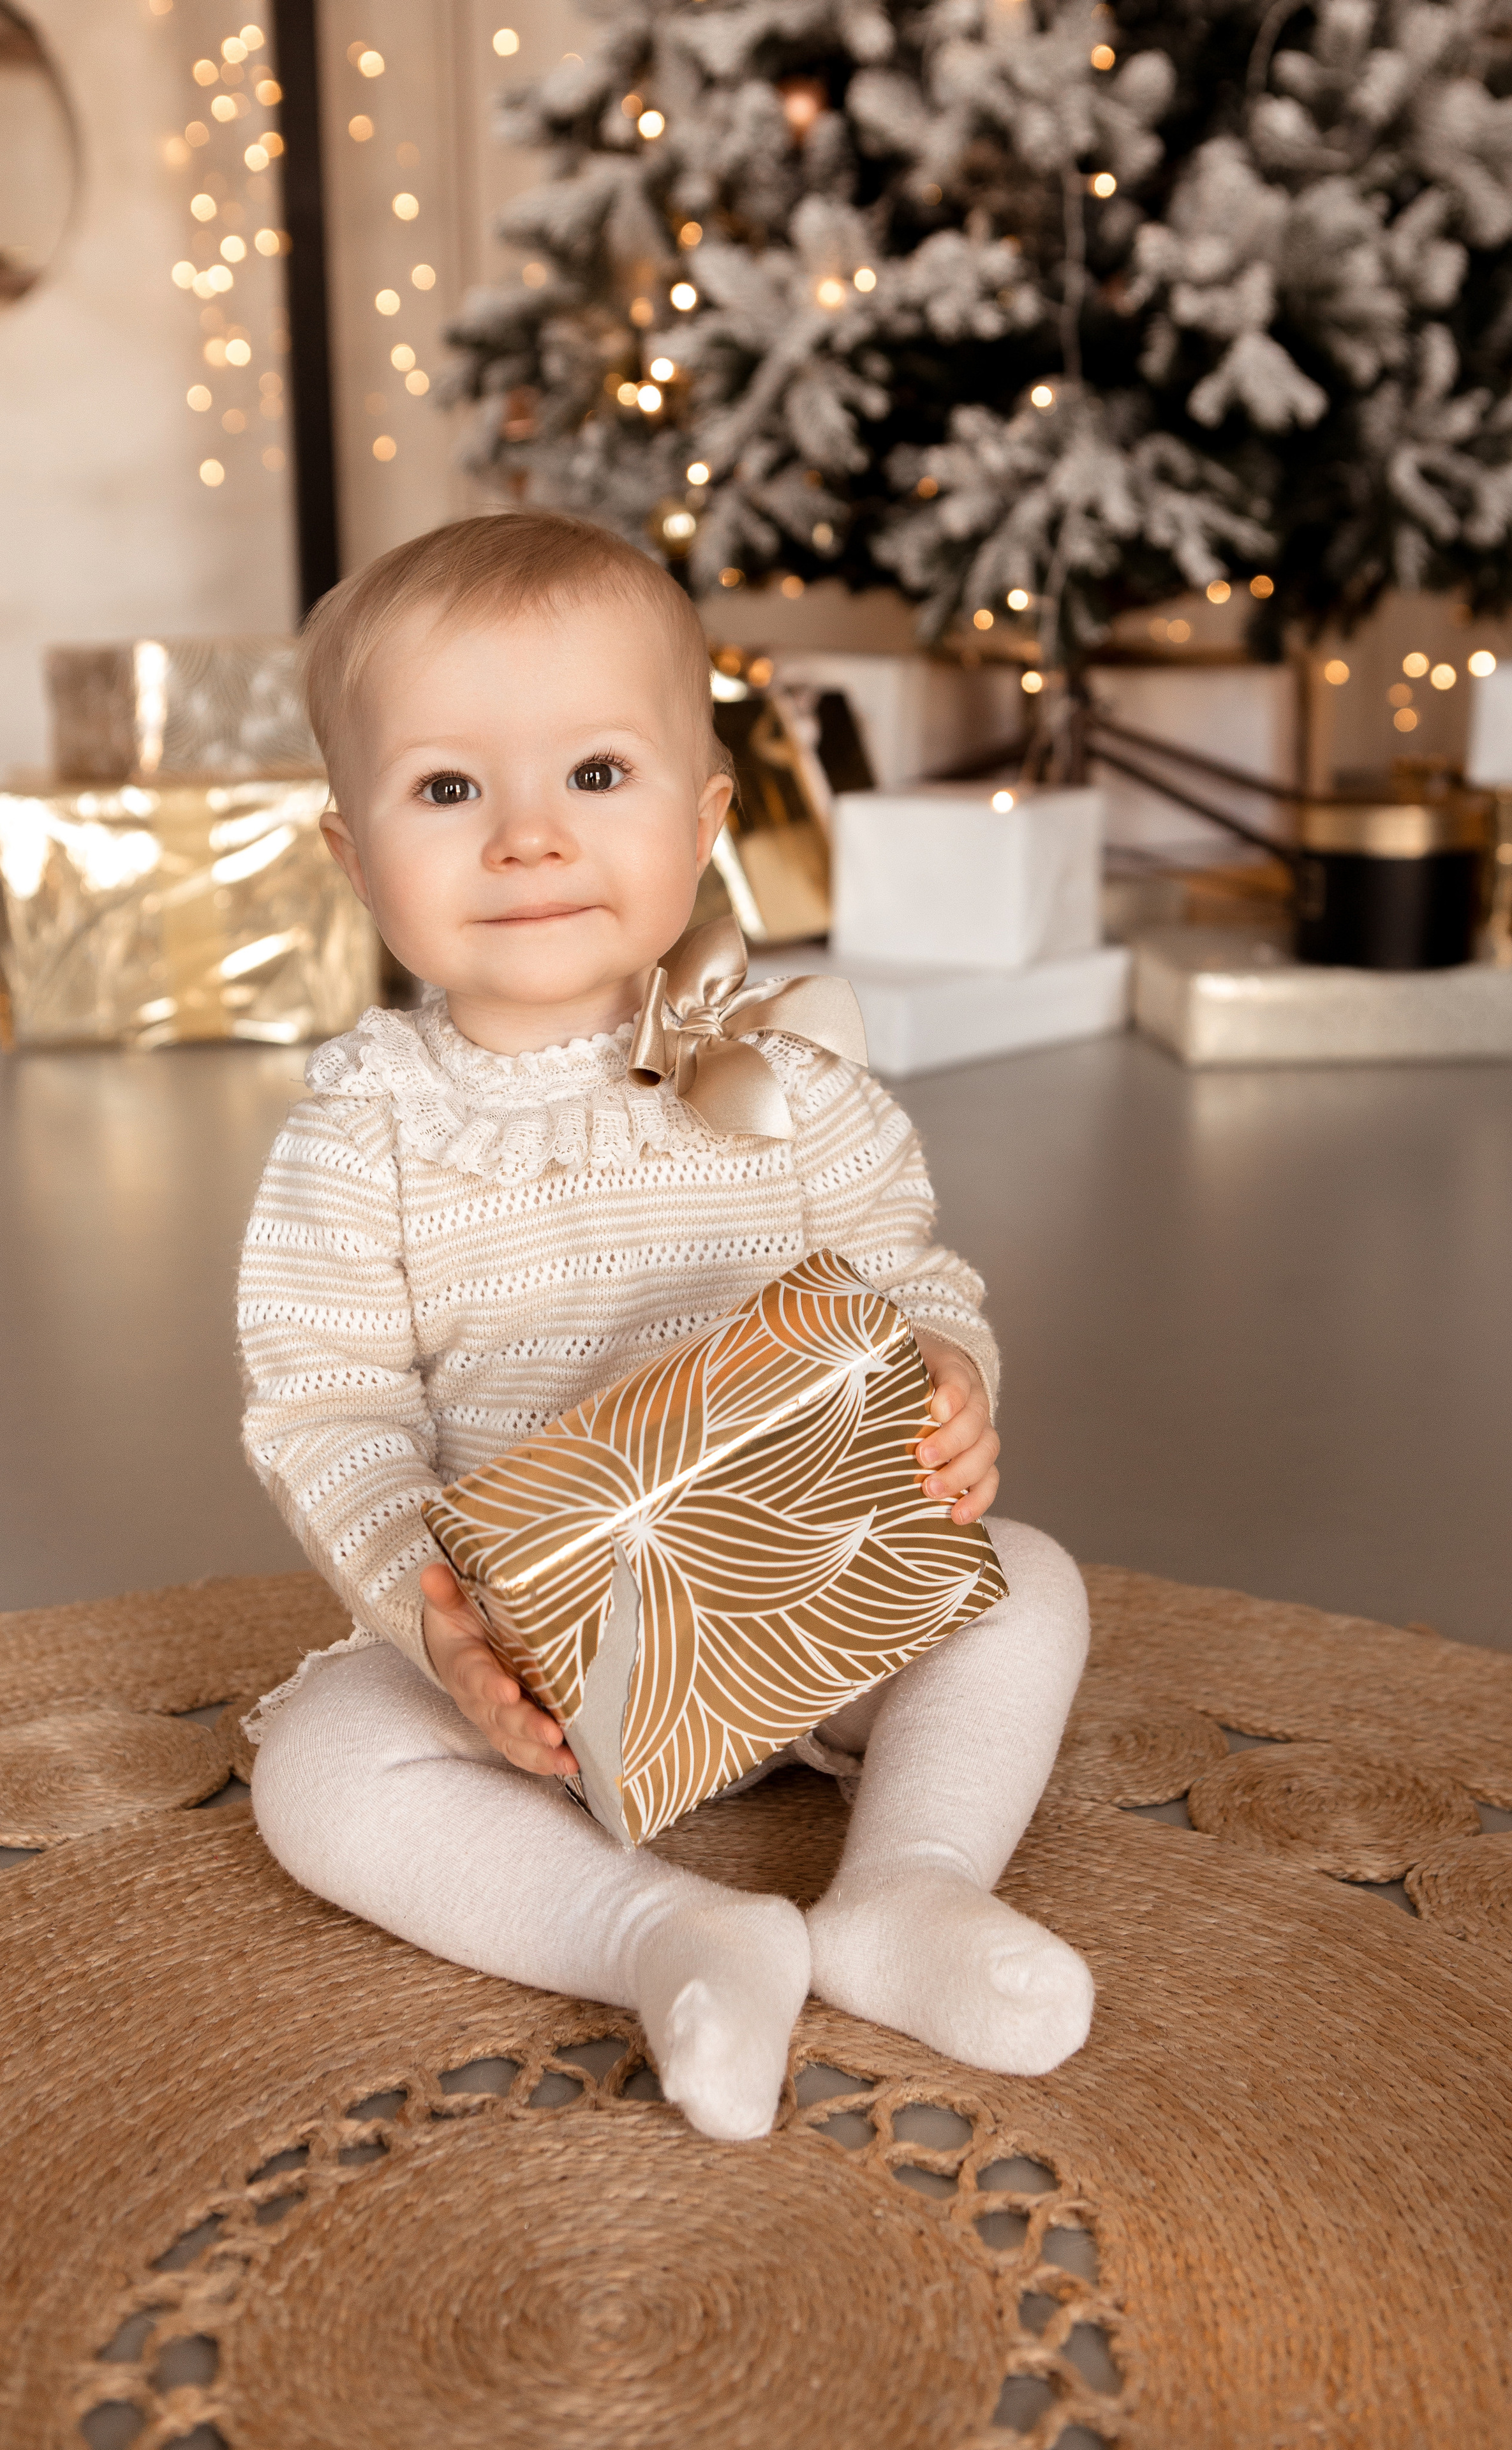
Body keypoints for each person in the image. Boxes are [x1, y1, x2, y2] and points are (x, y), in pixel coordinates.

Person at [240, 511, 1093, 2141]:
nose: (526, 840)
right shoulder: (365, 1127)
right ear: (352, 852)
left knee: (1026, 1586)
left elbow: (906, 1273)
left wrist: (946, 1375)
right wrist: (438, 1633)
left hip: (810, 1598)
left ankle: (903, 1891)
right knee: (323, 1768)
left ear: (707, 820)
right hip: (540, 1670)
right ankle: (665, 1936)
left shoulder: (782, 1070)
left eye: (596, 776)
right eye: (445, 791)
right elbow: (325, 1406)